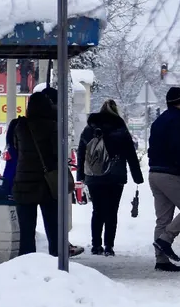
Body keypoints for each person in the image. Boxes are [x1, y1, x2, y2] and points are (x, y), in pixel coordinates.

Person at [12, 91, 83, 257]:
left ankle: (26, 260)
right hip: (47, 184)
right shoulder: (52, 126)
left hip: (23, 183)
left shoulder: (20, 126)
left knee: (26, 230)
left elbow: (16, 148)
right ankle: (56, 257)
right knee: (53, 226)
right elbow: (58, 154)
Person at [77, 99, 144, 256]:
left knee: (97, 210)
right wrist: (137, 176)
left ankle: (96, 245)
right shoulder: (120, 129)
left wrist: (81, 175)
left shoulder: (89, 129)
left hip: (93, 176)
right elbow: (130, 154)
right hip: (115, 176)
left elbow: (81, 152)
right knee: (112, 211)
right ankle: (108, 246)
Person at [147, 86, 180, 272]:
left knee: (162, 219)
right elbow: (178, 148)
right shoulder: (178, 121)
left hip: (154, 174)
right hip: (169, 174)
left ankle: (161, 260)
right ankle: (165, 240)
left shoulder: (159, 121)